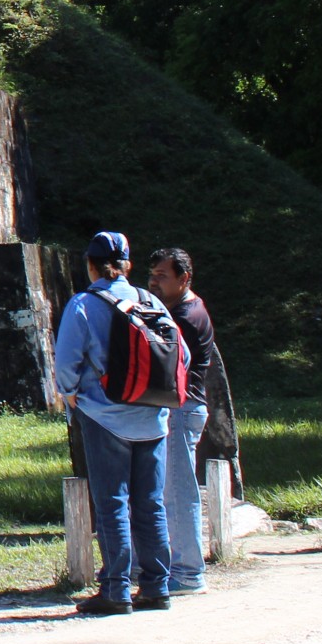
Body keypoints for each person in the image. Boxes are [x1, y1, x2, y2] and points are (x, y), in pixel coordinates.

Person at [51, 230, 174, 614]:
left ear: (90, 266)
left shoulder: (84, 304)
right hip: (153, 416)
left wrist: (71, 394)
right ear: (127, 266)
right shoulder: (150, 300)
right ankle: (156, 586)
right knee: (151, 504)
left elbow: (66, 361)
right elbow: (178, 354)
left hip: (104, 416)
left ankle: (116, 589)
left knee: (112, 503)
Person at [147, 247, 219, 594]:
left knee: (178, 492)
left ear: (184, 279)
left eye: (162, 276)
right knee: (169, 490)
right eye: (152, 275)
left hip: (181, 408)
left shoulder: (185, 318)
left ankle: (189, 572)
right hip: (183, 408)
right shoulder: (186, 308)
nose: (153, 282)